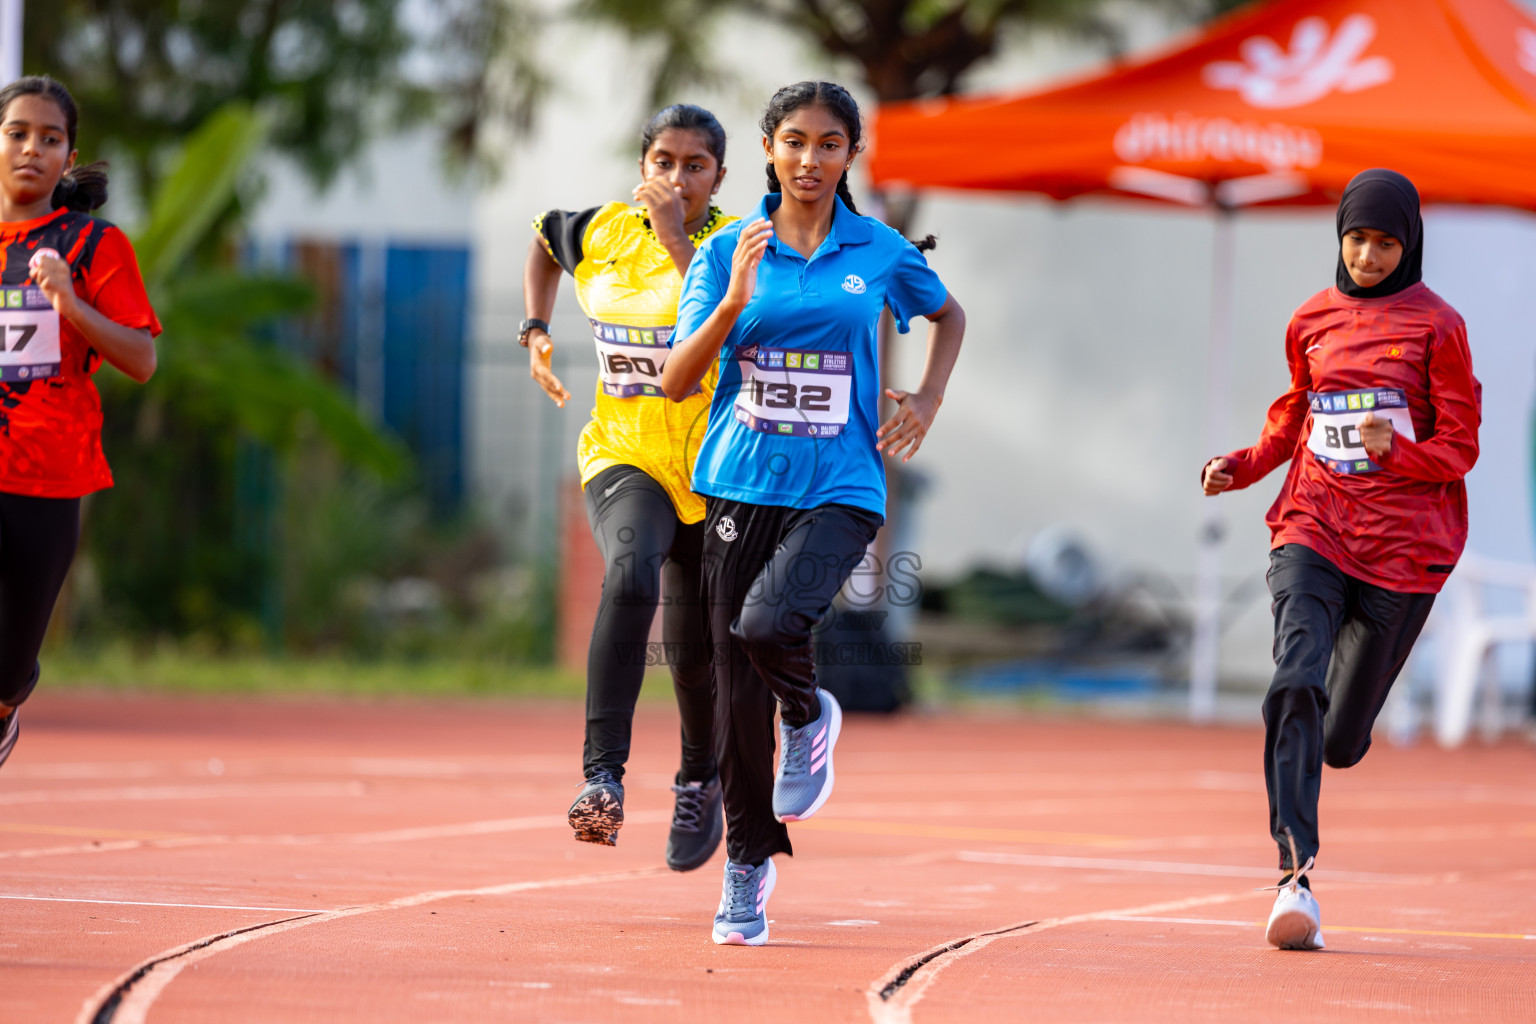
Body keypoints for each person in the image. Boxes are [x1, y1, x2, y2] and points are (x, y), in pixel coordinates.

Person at [663, 81, 965, 945]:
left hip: (841, 487)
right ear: (768, 149)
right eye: (794, 142)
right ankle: (747, 873)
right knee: (730, 690)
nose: (809, 159)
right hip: (738, 484)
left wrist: (929, 400)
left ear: (849, 156)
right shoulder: (728, 250)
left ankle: (806, 714)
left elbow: (949, 315)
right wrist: (730, 303)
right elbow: (679, 380)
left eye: (828, 144)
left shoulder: (877, 248)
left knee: (767, 627)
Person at [1201, 169, 1479, 951]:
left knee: (1342, 740)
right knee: (1294, 678)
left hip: (1402, 552)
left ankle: (1330, 747)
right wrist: (1244, 465)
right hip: (1312, 525)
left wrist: (1405, 451)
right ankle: (1294, 876)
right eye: (1356, 238)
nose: (1367, 254)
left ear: (1408, 244)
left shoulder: (1438, 327)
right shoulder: (1311, 320)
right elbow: (1293, 416)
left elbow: (1463, 446)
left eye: (1385, 241)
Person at [522, 104, 735, 871]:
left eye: (695, 166)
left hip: (718, 469)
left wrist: (678, 238)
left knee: (694, 646)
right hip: (625, 453)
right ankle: (601, 777)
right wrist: (536, 330)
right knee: (630, 570)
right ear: (642, 166)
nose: (676, 178)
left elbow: (729, 324)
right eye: (663, 163)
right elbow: (546, 241)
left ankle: (699, 778)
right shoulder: (603, 230)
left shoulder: (738, 246)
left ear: (719, 176)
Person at [0, 77, 160, 770]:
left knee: (6, 672)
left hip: (45, 477)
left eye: (50, 138)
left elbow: (142, 358)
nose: (31, 148)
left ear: (70, 156)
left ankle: (7, 702)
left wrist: (69, 303)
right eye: (17, 133)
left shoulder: (93, 245)